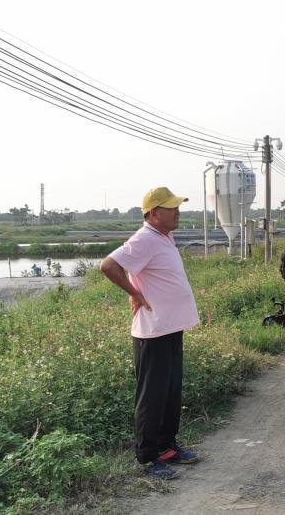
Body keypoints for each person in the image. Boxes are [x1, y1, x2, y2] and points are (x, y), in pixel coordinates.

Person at [100, 187, 200, 479]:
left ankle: (167, 446)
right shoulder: (145, 238)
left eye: (178, 206)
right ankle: (147, 456)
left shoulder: (163, 237)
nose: (178, 211)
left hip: (170, 328)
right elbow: (108, 265)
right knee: (152, 397)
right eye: (171, 208)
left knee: (170, 392)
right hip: (152, 333)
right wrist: (135, 293)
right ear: (154, 213)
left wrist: (137, 286)